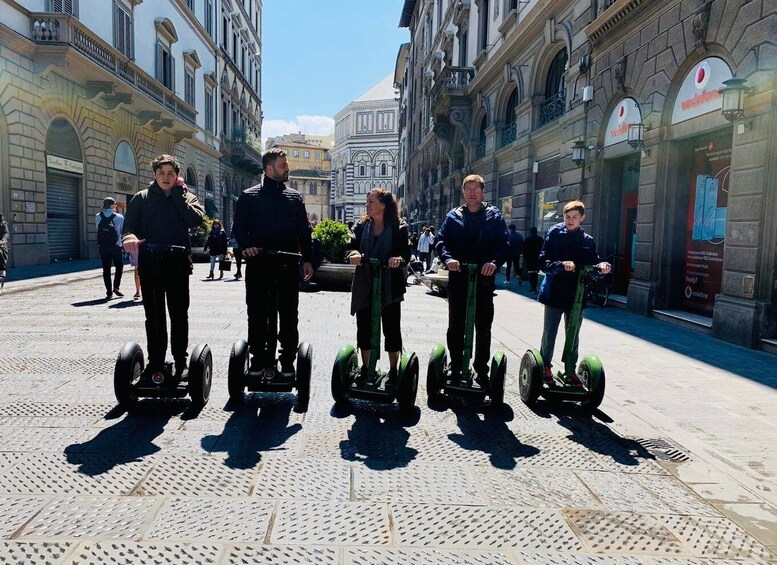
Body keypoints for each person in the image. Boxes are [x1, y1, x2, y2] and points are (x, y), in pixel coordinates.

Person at [232, 148, 314, 378]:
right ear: (269, 169)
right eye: (282, 165)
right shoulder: (249, 196)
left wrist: (307, 259)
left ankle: (287, 360)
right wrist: (247, 245)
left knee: (288, 314)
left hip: (287, 265)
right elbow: (238, 227)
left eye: (286, 165)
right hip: (259, 264)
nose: (287, 169)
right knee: (257, 313)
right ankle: (258, 359)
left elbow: (304, 232)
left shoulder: (295, 197)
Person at [122, 154, 205, 378]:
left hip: (177, 265)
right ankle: (156, 361)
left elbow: (195, 221)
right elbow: (129, 226)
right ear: (154, 175)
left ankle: (181, 361)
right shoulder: (141, 198)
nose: (165, 177)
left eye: (171, 174)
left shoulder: (188, 197)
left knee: (179, 315)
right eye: (161, 173)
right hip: (151, 265)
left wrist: (178, 196)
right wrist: (129, 237)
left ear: (177, 177)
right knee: (154, 316)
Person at [436, 174, 508, 387]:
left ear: (483, 191)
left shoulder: (494, 216)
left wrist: (494, 262)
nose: (472, 192)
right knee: (455, 325)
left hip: (484, 280)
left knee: (483, 326)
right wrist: (448, 259)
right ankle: (456, 365)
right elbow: (441, 241)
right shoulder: (453, 216)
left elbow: (504, 244)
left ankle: (481, 368)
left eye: (476, 188)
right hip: (459, 278)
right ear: (463, 192)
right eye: (468, 189)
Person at [537, 200, 611, 387]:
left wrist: (602, 267)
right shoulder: (554, 233)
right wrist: (562, 265)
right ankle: (545, 366)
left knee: (573, 334)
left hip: (577, 295)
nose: (570, 220)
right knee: (549, 333)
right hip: (554, 293)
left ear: (582, 218)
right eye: (567, 217)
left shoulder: (587, 241)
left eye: (574, 217)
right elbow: (543, 262)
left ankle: (570, 369)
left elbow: (594, 265)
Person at [346, 188, 411, 389]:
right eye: (367, 202)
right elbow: (350, 247)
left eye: (371, 201)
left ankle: (393, 370)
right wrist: (354, 254)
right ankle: (366, 368)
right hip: (365, 282)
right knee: (364, 327)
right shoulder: (361, 225)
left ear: (383, 204)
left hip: (390, 285)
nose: (368, 205)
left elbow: (405, 255)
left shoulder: (399, 227)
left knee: (391, 328)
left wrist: (397, 260)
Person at [95, 197, 125, 300]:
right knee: (119, 266)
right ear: (112, 205)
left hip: (103, 247)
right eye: (115, 204)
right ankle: (116, 287)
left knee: (106, 269)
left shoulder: (98, 216)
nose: (116, 205)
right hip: (116, 246)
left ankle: (108, 292)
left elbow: (98, 229)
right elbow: (121, 231)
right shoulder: (119, 217)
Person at [523, 226, 544, 294]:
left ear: (530, 232)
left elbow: (524, 250)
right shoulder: (541, 239)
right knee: (536, 273)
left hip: (529, 259)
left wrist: (525, 258)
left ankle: (532, 287)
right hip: (538, 259)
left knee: (531, 273)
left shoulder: (527, 239)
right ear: (536, 232)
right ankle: (535, 287)